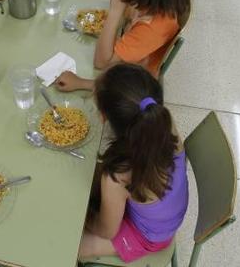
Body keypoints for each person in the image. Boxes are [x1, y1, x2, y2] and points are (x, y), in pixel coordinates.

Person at [77, 63, 188, 262]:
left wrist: (84, 218)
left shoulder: (118, 176)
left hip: (150, 237)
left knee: (72, 245)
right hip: (164, 217)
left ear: (103, 117)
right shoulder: (163, 120)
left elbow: (106, 231)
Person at [56, 0, 190, 91]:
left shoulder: (152, 29)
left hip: (134, 83)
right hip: (129, 57)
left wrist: (115, 12)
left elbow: (102, 63)